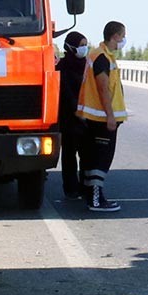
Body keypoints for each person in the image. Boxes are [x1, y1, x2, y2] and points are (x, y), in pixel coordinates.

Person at [77, 20, 129, 211]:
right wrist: (110, 116)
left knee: (92, 158)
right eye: (122, 36)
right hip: (101, 118)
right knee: (101, 159)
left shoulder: (100, 54)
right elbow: (103, 88)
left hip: (96, 116)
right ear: (115, 36)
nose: (123, 40)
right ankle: (96, 200)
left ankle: (91, 195)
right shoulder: (101, 57)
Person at [54, 30, 91, 199]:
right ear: (71, 46)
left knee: (87, 154)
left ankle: (85, 186)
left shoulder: (88, 65)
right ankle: (70, 188)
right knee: (69, 155)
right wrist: (77, 110)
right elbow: (65, 92)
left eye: (85, 45)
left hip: (87, 116)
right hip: (69, 117)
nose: (84, 48)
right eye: (81, 45)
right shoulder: (62, 66)